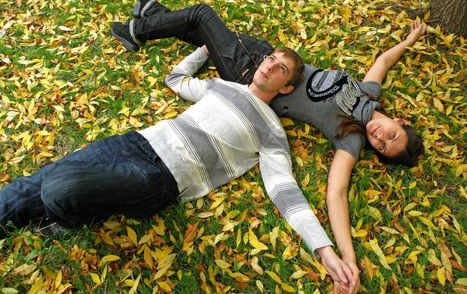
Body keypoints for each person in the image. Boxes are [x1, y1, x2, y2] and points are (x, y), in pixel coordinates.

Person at [111, 0, 427, 294]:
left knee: (202, 16)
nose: (380, 138)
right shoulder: (370, 92)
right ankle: (153, 12)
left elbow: (337, 192)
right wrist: (410, 39)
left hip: (253, 78)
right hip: (273, 61)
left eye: (383, 147)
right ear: (399, 120)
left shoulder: (350, 138)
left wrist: (348, 257)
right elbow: (383, 62)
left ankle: (135, 30)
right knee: (205, 35)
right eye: (392, 134)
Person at [0, 43, 357, 292]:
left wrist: (324, 250)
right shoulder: (223, 87)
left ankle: (65, 219)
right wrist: (203, 50)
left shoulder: (273, 134)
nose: (269, 65)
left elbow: (285, 192)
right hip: (132, 142)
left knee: (59, 188)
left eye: (281, 67)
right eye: (270, 58)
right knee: (28, 186)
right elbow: (177, 80)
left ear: (287, 87)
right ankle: (56, 213)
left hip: (161, 177)